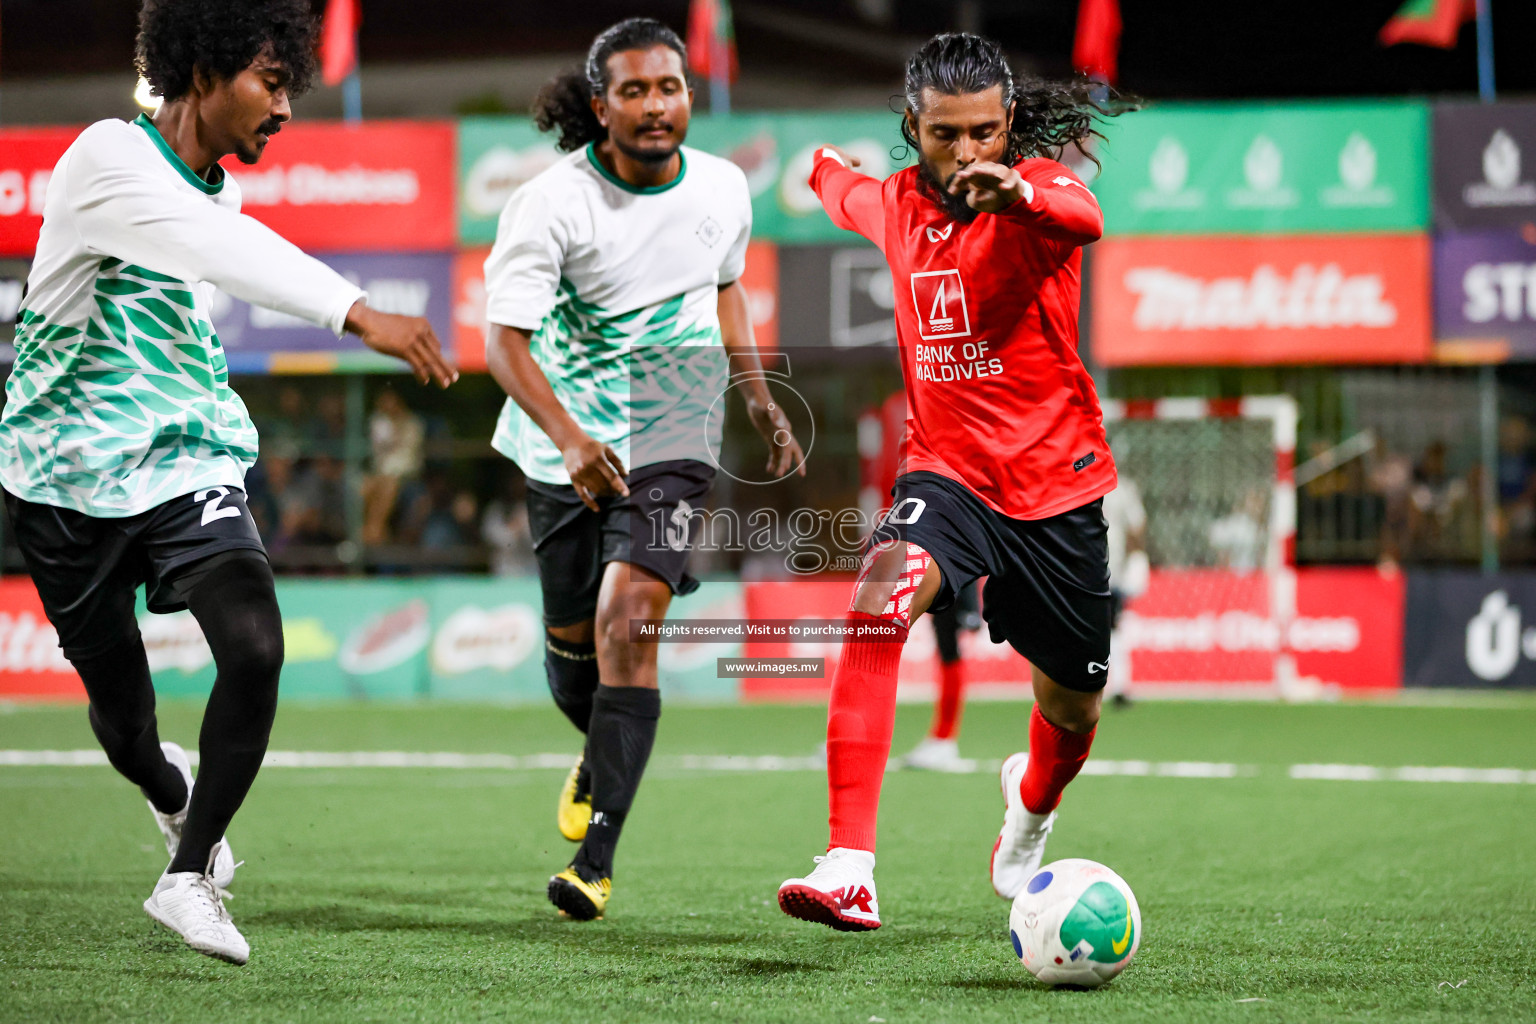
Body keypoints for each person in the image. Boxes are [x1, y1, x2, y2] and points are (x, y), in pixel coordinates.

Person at [0, 0, 455, 965]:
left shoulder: (224, 195)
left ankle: (190, 876)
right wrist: (356, 310)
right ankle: (168, 797)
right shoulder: (102, 159)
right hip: (61, 475)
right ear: (201, 71)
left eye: (290, 83)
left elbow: (204, 286)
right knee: (126, 729)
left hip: (183, 458)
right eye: (272, 81)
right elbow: (217, 252)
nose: (285, 107)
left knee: (254, 644)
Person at [775, 32, 1130, 931]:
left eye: (984, 133)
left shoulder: (1040, 193)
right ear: (912, 126)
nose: (968, 152)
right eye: (945, 136)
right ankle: (849, 862)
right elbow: (838, 185)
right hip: (946, 475)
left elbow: (1082, 214)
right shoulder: (894, 205)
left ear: (1009, 124)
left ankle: (1033, 805)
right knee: (877, 600)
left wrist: (1014, 191)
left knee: (1074, 705)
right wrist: (817, 166)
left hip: (1057, 488)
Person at [483, 17, 803, 922]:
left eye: (669, 87)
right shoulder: (552, 204)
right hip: (565, 440)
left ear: (688, 97)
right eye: (634, 90)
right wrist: (572, 439)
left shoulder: (724, 187)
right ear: (600, 106)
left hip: (674, 413)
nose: (656, 105)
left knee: (629, 622)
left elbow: (727, 283)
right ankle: (596, 748)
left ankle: (596, 860)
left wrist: (756, 392)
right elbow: (502, 343)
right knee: (572, 669)